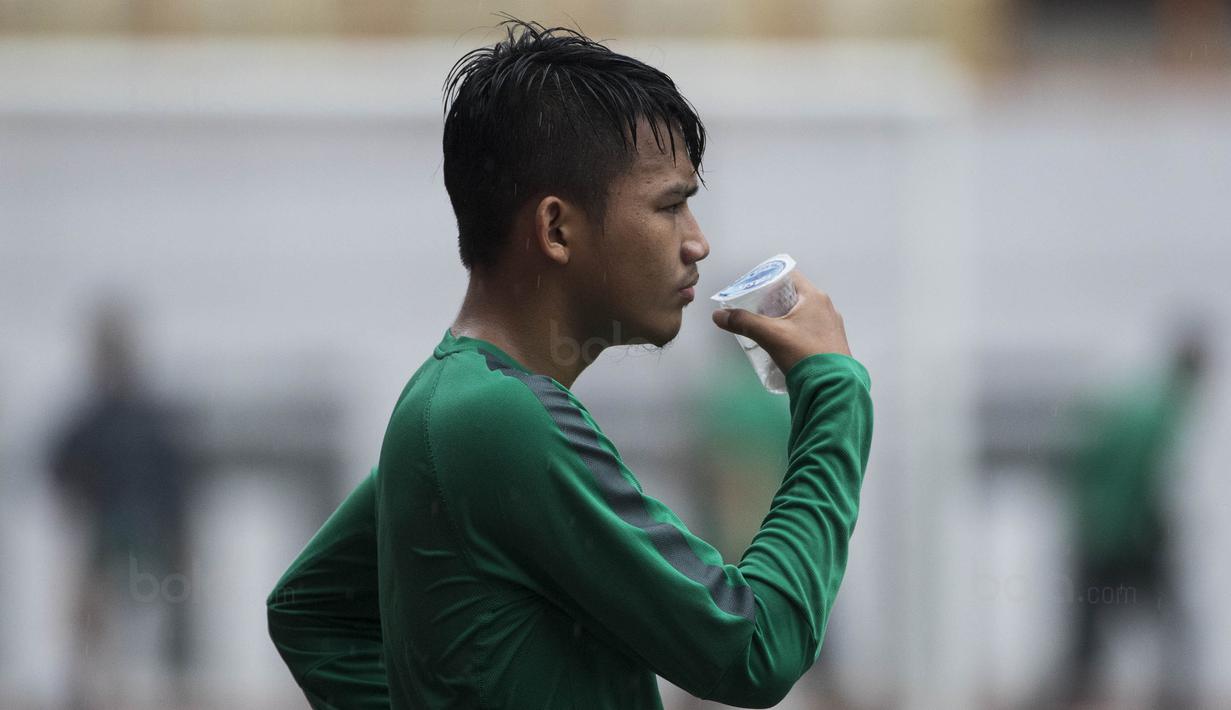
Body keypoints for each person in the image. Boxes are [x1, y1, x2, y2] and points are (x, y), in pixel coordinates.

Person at [267, 18, 874, 709]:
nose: (696, 244)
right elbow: (755, 649)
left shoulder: (450, 401)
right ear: (556, 228)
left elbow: (312, 612)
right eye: (669, 205)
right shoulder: (497, 420)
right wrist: (835, 390)